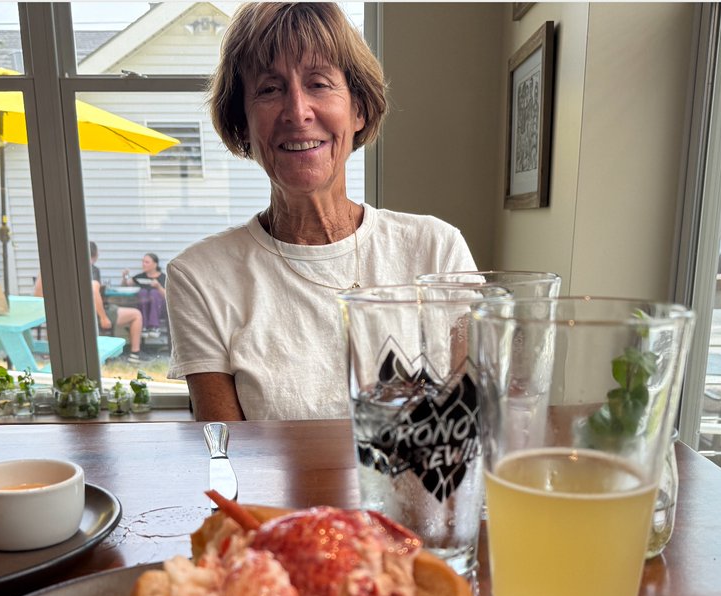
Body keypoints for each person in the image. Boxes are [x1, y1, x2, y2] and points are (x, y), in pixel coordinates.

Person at [165, 1, 476, 421]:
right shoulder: (200, 277)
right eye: (270, 89)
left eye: (319, 83)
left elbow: (468, 426)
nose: (297, 112)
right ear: (243, 122)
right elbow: (229, 460)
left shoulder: (437, 250)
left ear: (359, 109)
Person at [121, 252, 167, 332]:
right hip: (143, 307)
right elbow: (126, 284)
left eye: (147, 262)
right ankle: (143, 326)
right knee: (143, 292)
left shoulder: (163, 277)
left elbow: (167, 296)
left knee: (154, 293)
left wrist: (158, 286)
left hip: (160, 309)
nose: (143, 264)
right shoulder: (140, 276)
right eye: (143, 262)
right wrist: (125, 276)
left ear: (155, 264)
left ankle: (154, 327)